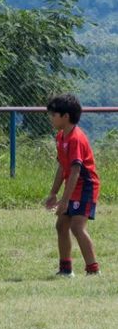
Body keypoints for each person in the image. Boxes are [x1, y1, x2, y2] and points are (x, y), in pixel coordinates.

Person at [45, 94, 100, 277]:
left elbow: (76, 171)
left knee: (77, 227)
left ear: (65, 116)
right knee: (61, 225)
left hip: (86, 186)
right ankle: (66, 269)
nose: (51, 118)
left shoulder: (76, 138)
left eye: (54, 114)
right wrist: (53, 193)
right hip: (74, 186)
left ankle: (93, 270)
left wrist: (65, 201)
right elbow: (62, 166)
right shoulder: (61, 137)